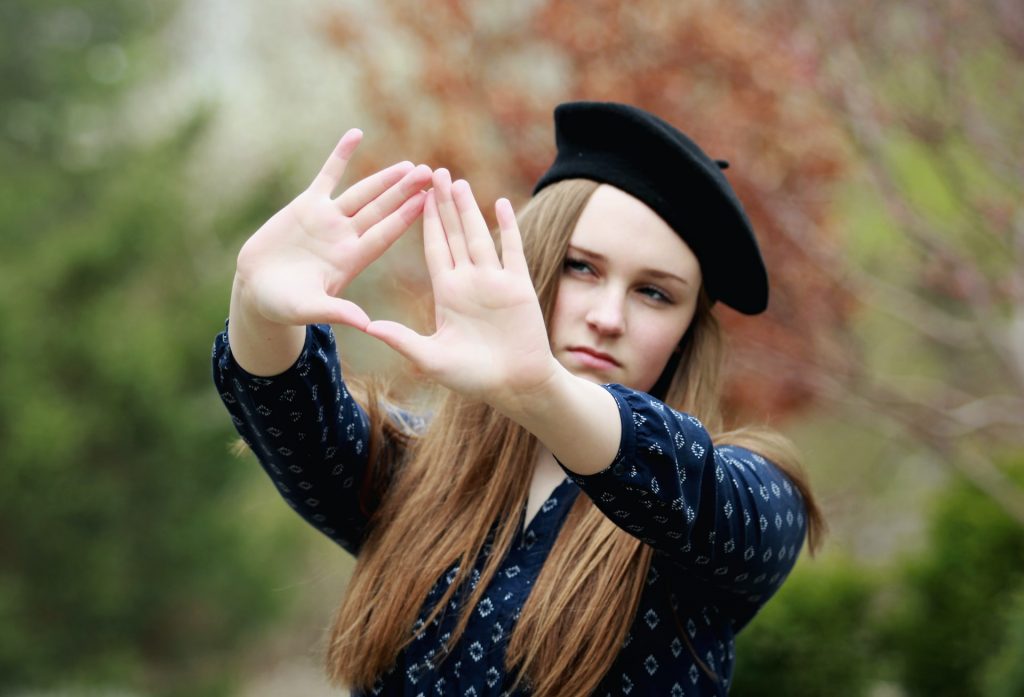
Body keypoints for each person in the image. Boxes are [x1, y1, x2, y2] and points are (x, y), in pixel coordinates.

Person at [212, 101, 825, 696]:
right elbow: (294, 414)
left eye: (655, 294)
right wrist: (257, 305)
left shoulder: (748, 503)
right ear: (533, 263)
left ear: (689, 329)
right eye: (582, 267)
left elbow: (698, 491)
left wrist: (540, 392)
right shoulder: (419, 471)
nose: (607, 317)